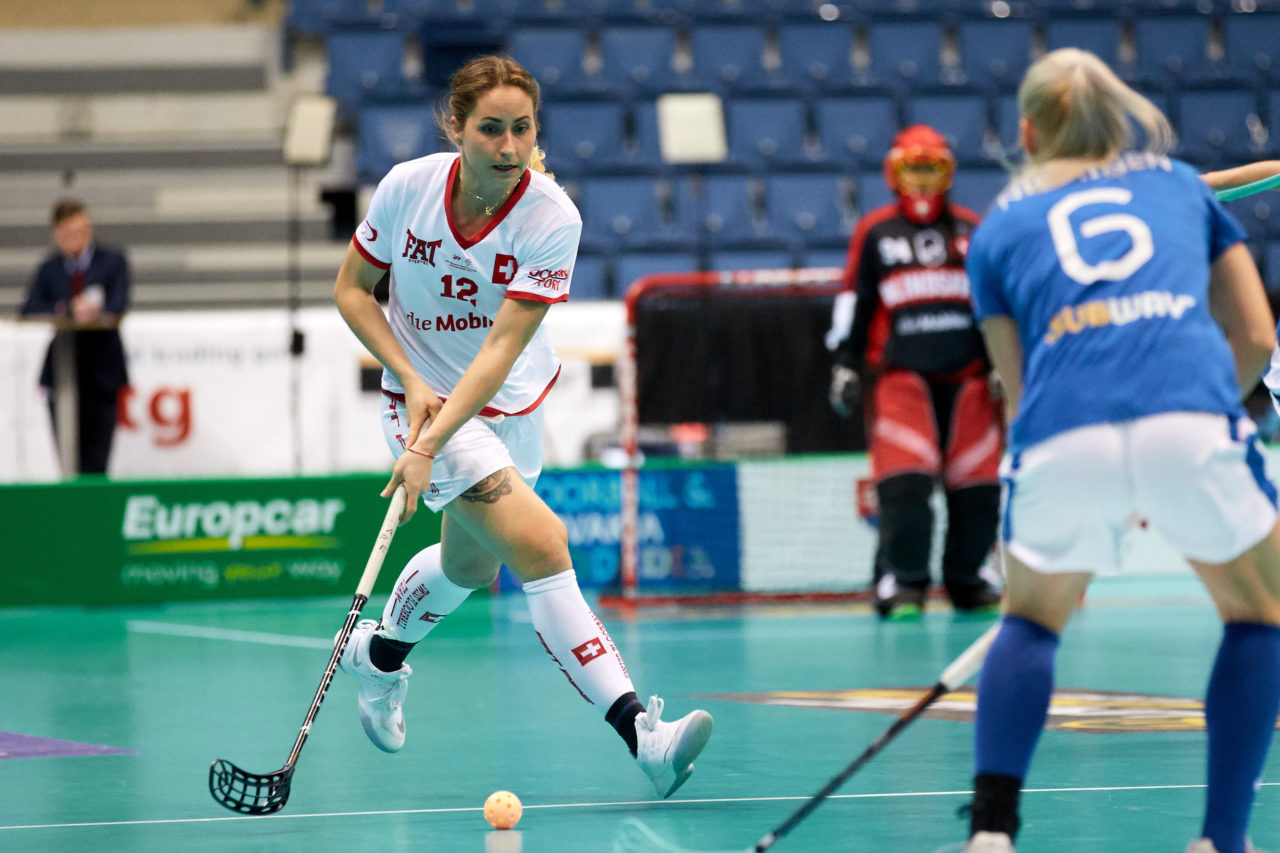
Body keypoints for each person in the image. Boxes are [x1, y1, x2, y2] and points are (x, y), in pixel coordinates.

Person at [331, 55, 713, 799]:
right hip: (428, 407)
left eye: (522, 129)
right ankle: (643, 735)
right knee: (543, 544)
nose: (507, 147)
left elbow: (502, 346)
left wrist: (428, 447)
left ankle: (376, 657)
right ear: (455, 127)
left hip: (511, 409)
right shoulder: (407, 188)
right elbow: (352, 291)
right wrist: (415, 397)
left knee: (470, 568)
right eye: (490, 130)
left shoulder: (551, 216)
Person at [961, 48, 1280, 853]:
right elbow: (1254, 335)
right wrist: (1189, 424)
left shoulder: (997, 226)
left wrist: (1102, 462)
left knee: (1029, 623)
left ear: (1029, 131)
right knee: (1262, 613)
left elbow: (1019, 386)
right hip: (1193, 413)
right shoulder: (1176, 183)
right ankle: (1221, 840)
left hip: (1063, 428)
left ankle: (992, 833)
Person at [827, 124, 1003, 620]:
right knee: (904, 485)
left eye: (933, 170)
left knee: (980, 489)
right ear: (894, 175)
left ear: (948, 174)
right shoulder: (876, 232)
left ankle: (969, 580)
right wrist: (844, 362)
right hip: (902, 379)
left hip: (970, 380)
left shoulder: (972, 230)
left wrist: (1000, 366)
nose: (923, 181)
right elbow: (854, 301)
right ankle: (902, 583)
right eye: (914, 170)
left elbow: (994, 305)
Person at [19, 198, 131, 475]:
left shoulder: (112, 261)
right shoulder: (50, 268)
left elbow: (118, 304)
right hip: (63, 370)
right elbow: (30, 308)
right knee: (68, 458)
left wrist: (95, 310)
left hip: (102, 372)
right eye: (69, 233)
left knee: (97, 458)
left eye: (82, 231)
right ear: (58, 234)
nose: (77, 238)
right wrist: (68, 308)